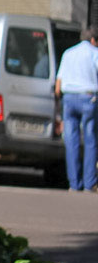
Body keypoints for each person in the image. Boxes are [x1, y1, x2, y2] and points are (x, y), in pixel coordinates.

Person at [54, 26, 98, 192]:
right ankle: (89, 183)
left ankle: (74, 184)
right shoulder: (94, 53)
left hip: (69, 99)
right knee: (90, 140)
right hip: (88, 98)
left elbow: (58, 85)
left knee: (71, 142)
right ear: (93, 40)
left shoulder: (68, 53)